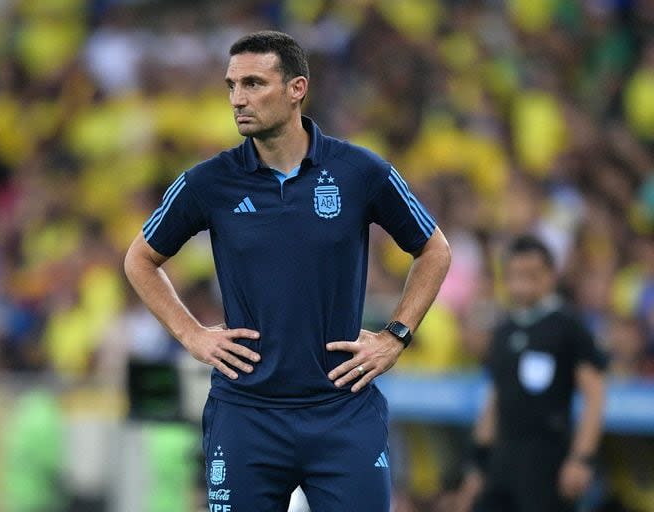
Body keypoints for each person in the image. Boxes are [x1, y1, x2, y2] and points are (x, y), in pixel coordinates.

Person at [124, 30, 451, 511]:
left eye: (254, 84)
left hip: (342, 411)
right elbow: (140, 259)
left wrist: (395, 335)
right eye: (231, 86)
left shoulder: (359, 171)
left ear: (297, 88)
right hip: (246, 414)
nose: (238, 99)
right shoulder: (208, 181)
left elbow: (434, 250)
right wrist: (192, 335)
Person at [457, 235, 607, 512]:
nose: (521, 284)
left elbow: (595, 395)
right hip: (503, 459)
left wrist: (582, 458)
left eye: (531, 275)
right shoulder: (503, 330)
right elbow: (494, 398)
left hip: (549, 459)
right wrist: (477, 464)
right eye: (514, 275)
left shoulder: (569, 327)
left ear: (551, 275)